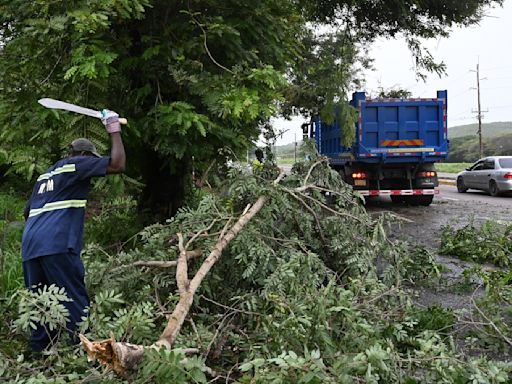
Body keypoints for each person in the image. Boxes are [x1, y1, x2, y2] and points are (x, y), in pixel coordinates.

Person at [21, 111, 125, 352]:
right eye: (91, 160)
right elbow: (118, 164)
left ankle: (39, 356)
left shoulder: (45, 176)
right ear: (84, 156)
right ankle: (84, 355)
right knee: (74, 301)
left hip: (31, 246)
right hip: (56, 244)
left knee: (41, 305)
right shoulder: (77, 165)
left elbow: (27, 213)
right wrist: (113, 129)